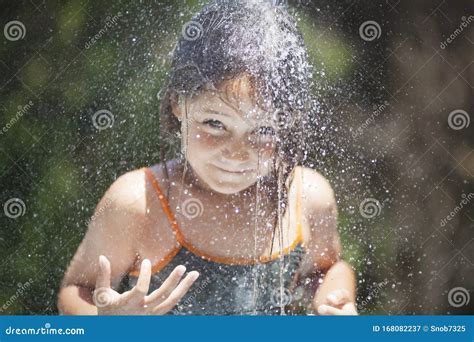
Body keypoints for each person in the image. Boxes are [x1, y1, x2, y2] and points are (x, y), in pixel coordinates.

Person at [57, 0, 357, 315]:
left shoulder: (307, 198)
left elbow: (328, 268)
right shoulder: (138, 204)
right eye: (215, 124)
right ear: (177, 103)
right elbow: (76, 291)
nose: (237, 152)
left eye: (264, 131)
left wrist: (334, 297)